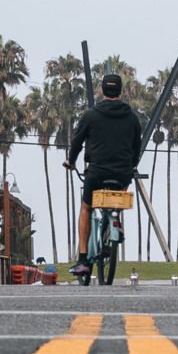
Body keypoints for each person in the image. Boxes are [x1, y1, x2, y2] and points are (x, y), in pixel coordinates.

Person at [65, 72, 143, 280]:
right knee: (116, 198)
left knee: (86, 208)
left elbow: (77, 141)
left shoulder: (91, 115)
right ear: (120, 91)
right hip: (123, 173)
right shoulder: (132, 118)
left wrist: (71, 161)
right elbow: (137, 147)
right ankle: (114, 224)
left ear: (102, 90)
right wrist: (132, 165)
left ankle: (83, 260)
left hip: (97, 172)